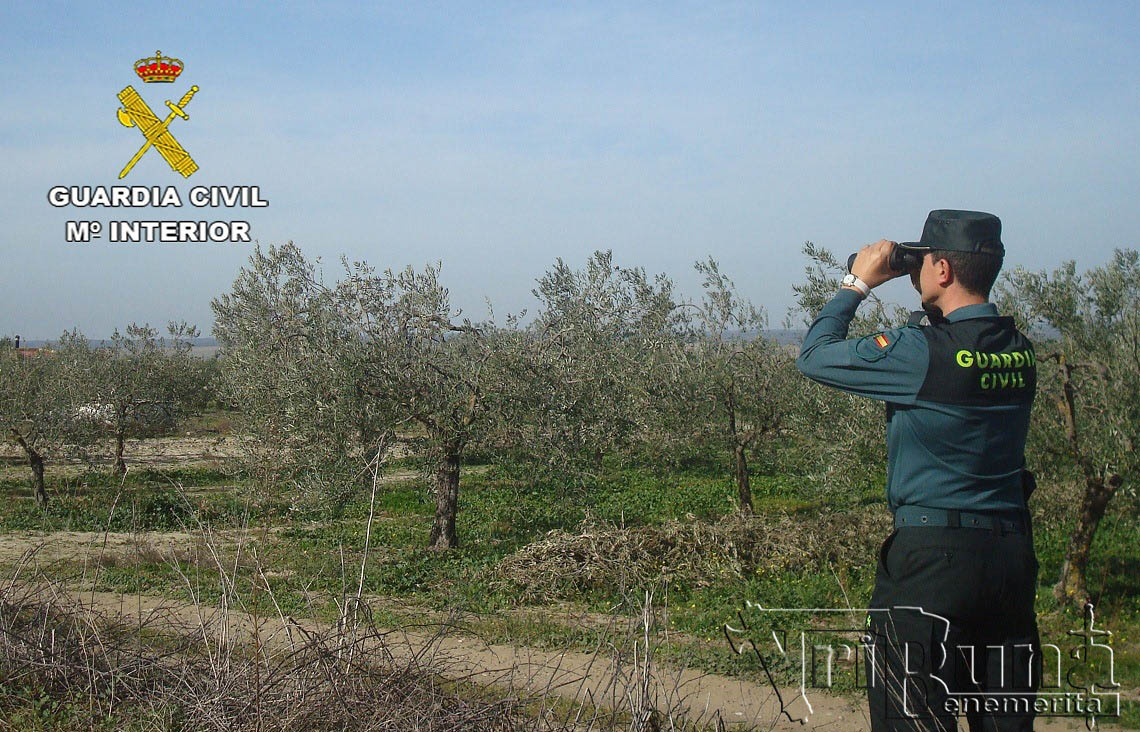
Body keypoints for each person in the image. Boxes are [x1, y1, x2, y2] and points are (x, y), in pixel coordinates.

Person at [795, 210, 1041, 731]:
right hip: (1009, 563)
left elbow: (815, 356)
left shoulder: (919, 354)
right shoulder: (1020, 352)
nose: (917, 272)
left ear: (943, 270)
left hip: (933, 564)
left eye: (923, 262)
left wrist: (857, 283)